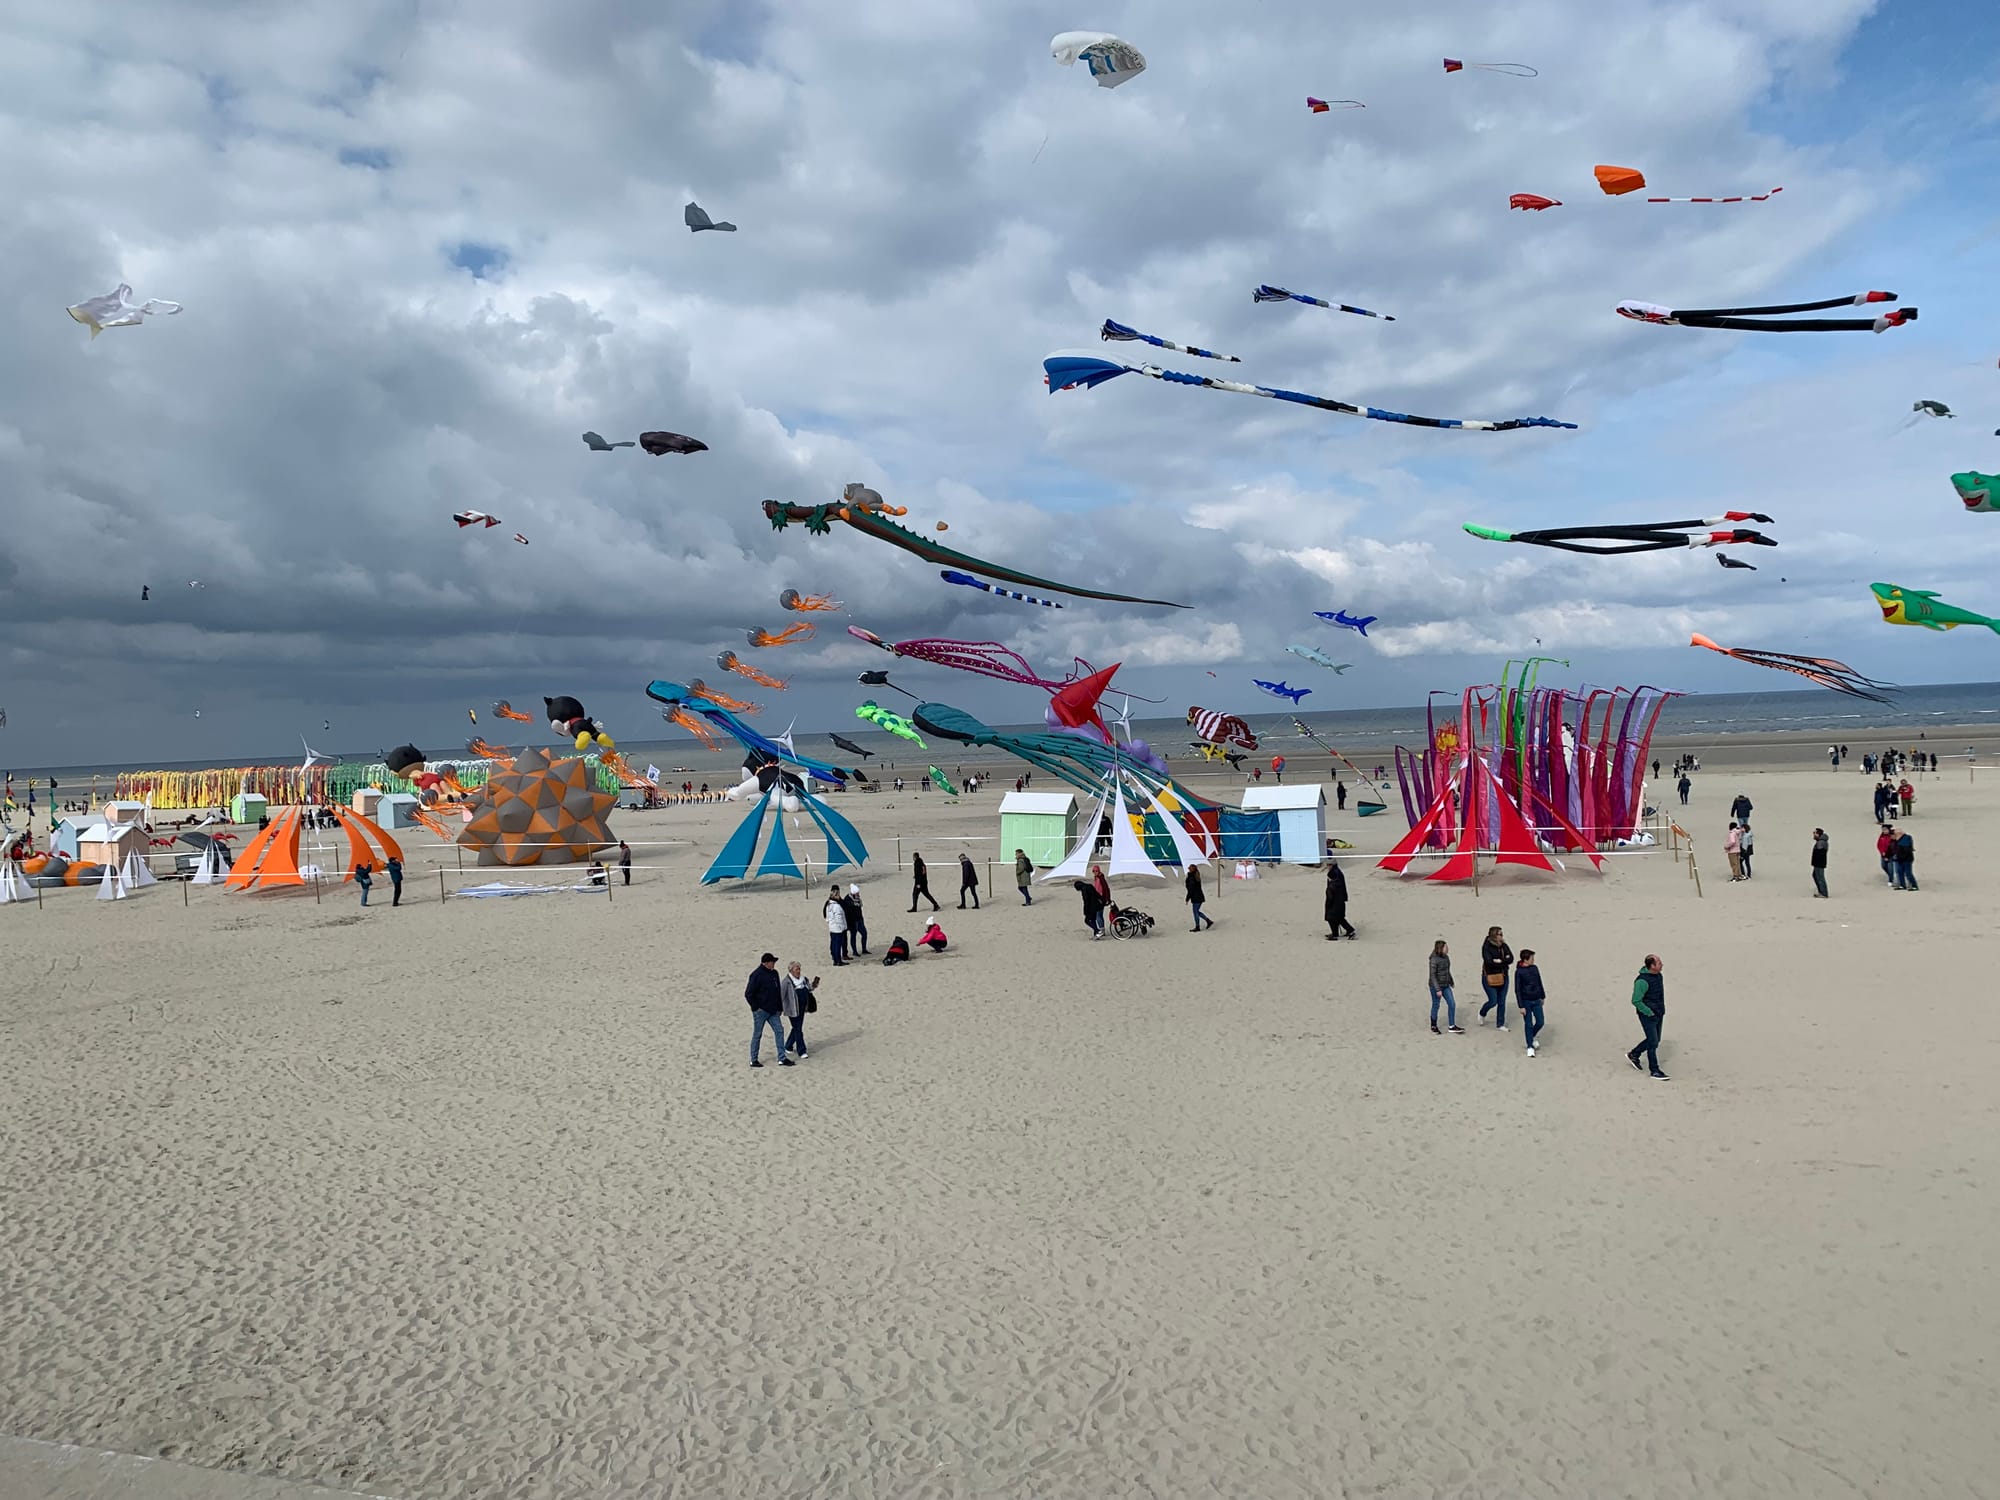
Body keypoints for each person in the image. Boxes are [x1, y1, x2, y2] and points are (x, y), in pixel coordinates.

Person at [745, 953, 793, 1068]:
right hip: (761, 1011)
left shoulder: (774, 973)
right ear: (765, 963)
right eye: (772, 962)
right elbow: (748, 994)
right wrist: (756, 1007)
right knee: (757, 1034)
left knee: (779, 1031)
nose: (774, 964)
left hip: (773, 1010)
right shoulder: (756, 975)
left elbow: (777, 992)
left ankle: (782, 1058)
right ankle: (754, 1059)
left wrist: (779, 1007)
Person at [1626, 954, 1668, 1080]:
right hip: (1648, 1015)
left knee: (1655, 1039)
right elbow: (1636, 1000)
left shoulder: (1659, 976)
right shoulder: (1642, 981)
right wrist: (1648, 1012)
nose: (1662, 964)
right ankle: (1654, 1070)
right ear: (1652, 966)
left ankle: (1634, 1054)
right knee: (1653, 1043)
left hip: (1658, 1013)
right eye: (1659, 963)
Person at [1478, 925, 1513, 1029]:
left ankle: (1500, 1024)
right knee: (1493, 1001)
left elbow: (1510, 958)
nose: (1502, 936)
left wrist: (1500, 961)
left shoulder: (1504, 946)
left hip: (1504, 976)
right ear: (1494, 935)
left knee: (1502, 1001)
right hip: (1489, 977)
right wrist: (1502, 961)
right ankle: (1482, 1013)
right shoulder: (1487, 947)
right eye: (1500, 934)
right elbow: (1489, 962)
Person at [780, 961, 816, 1059]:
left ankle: (788, 1046)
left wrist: (814, 985)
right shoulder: (786, 982)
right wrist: (779, 1009)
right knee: (798, 1029)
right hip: (792, 1009)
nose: (798, 971)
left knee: (797, 1027)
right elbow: (781, 996)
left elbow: (809, 988)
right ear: (791, 970)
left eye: (799, 969)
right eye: (796, 969)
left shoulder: (804, 979)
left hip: (802, 1008)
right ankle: (802, 1051)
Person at [1516, 949, 1546, 1056]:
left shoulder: (1535, 968)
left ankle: (1531, 1037)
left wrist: (1542, 996)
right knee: (1528, 1024)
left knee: (1540, 1022)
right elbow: (1518, 989)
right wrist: (1521, 1006)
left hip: (1537, 999)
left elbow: (1539, 982)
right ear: (1525, 959)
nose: (1533, 960)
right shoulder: (1519, 972)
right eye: (1531, 958)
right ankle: (1529, 1046)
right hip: (1526, 1001)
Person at [1428, 939, 1461, 1035]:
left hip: (1446, 985)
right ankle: (1433, 1025)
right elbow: (1432, 975)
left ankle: (1452, 1026)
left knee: (1452, 1004)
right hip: (1435, 986)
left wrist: (1451, 980)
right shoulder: (1434, 959)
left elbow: (1447, 971)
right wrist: (1437, 989)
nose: (1448, 949)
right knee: (1436, 1005)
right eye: (1446, 947)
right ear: (1440, 948)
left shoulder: (1446, 958)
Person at [1323, 860, 1355, 940]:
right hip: (1340, 901)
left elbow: (1330, 895)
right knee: (1339, 918)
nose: (1327, 866)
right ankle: (1346, 931)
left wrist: (1328, 904)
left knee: (1333, 918)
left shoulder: (1334, 878)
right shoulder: (1338, 874)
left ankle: (1337, 934)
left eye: (1328, 865)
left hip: (1335, 902)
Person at [1186, 863, 1214, 931]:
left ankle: (1198, 926)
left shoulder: (1192, 877)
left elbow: (1191, 889)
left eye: (1189, 868)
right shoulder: (1196, 876)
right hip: (1199, 896)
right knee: (1197, 911)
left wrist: (1187, 898)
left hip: (1196, 897)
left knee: (1195, 912)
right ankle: (1208, 921)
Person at [823, 891, 849, 964]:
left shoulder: (829, 905)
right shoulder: (836, 906)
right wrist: (842, 927)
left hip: (832, 927)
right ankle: (838, 960)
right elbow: (839, 918)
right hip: (838, 928)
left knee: (834, 944)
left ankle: (835, 959)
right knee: (837, 945)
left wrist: (830, 923)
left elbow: (827, 917)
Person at [843, 883, 868, 955]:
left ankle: (864, 949)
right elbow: (847, 911)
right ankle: (855, 951)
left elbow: (860, 907)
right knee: (853, 935)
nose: (858, 895)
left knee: (864, 934)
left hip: (860, 919)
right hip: (852, 921)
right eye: (857, 893)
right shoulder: (847, 900)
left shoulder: (858, 899)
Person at [1810, 828, 1829, 898]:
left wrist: (1816, 862)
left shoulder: (1821, 842)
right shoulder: (1820, 842)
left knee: (1820, 877)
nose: (1814, 835)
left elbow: (1820, 854)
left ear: (1818, 834)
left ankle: (1823, 893)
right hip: (1818, 863)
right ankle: (1821, 891)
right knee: (1815, 875)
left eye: (1815, 833)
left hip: (1819, 864)